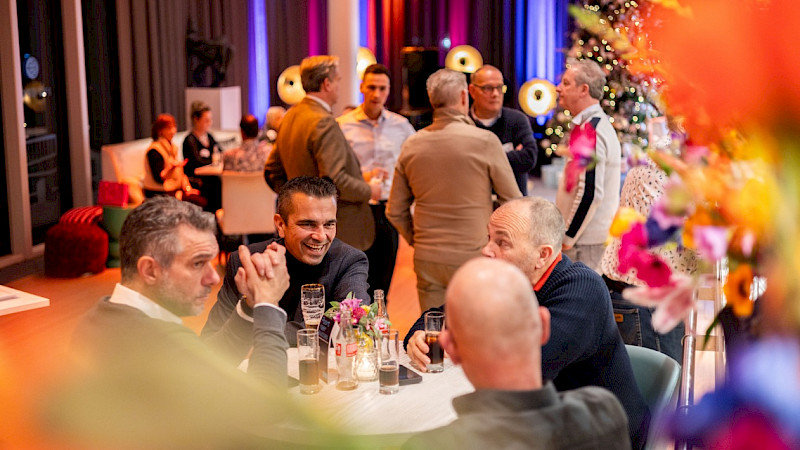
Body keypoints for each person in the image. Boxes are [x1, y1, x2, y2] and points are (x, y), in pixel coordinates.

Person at [404, 197, 650, 449]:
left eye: (502, 242)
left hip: (598, 432)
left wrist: (467, 335)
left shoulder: (582, 289)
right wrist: (421, 334)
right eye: (489, 238)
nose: (486, 250)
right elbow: (442, 315)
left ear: (542, 255)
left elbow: (525, 368)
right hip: (538, 422)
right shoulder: (509, 279)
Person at [67, 197, 291, 446]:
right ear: (150, 270)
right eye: (197, 263)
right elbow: (266, 407)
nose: (213, 278)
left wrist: (250, 306)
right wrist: (268, 303)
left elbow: (202, 365)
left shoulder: (103, 316)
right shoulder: (160, 343)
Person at [403, 258, 631, 450]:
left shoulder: (430, 445)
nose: (487, 249)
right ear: (543, 326)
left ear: (450, 349)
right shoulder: (606, 412)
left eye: (501, 241)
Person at [387, 68, 521, 311]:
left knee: (433, 328)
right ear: (463, 96)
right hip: (474, 255)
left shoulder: (412, 145)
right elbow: (513, 201)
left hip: (428, 257)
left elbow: (394, 210)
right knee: (474, 326)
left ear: (432, 100)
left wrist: (418, 240)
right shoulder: (484, 141)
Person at [202, 176, 369, 348]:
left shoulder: (349, 261)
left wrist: (259, 328)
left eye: (329, 224)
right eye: (308, 224)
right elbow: (211, 342)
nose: (321, 236)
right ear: (281, 225)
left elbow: (353, 323)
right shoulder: (247, 262)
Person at [265, 55, 379, 251]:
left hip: (303, 227)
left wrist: (296, 204)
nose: (339, 85)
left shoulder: (290, 116)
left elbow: (272, 171)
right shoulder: (323, 121)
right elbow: (334, 179)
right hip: (336, 230)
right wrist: (370, 191)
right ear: (327, 84)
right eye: (338, 80)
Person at [601, 156, 697, 362]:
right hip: (641, 298)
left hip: (641, 293)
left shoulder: (669, 166)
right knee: (661, 376)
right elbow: (679, 238)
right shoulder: (658, 172)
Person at [337, 63, 416, 297]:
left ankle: (379, 319)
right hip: (355, 209)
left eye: (382, 88)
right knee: (353, 277)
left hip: (388, 209)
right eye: (371, 87)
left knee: (383, 280)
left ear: (389, 90)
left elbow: (415, 162)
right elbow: (336, 170)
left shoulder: (401, 126)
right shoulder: (343, 125)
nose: (376, 94)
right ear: (362, 87)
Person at [555, 59, 622, 272]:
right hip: (587, 239)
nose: (558, 88)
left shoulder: (591, 129)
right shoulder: (591, 125)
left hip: (585, 242)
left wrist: (568, 236)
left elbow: (590, 192)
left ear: (584, 90)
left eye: (566, 83)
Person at [468, 65, 537, 195]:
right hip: (474, 201)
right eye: (488, 88)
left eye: (499, 88)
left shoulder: (517, 120)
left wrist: (479, 160)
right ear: (472, 90)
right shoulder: (464, 123)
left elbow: (528, 159)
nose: (495, 94)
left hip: (513, 203)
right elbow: (460, 166)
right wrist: (509, 156)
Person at [143, 114, 206, 207]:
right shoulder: (154, 150)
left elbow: (181, 175)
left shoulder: (172, 148)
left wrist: (187, 189)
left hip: (173, 189)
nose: (173, 131)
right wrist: (171, 167)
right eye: (169, 128)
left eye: (174, 127)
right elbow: (159, 178)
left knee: (205, 190)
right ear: (160, 130)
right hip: (158, 192)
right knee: (199, 202)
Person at [183, 101, 222, 212]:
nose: (209, 123)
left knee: (219, 182)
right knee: (215, 184)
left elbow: (220, 152)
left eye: (210, 119)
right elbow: (196, 162)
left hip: (211, 177)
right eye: (206, 120)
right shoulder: (190, 140)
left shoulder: (209, 137)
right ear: (196, 119)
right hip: (196, 180)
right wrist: (213, 162)